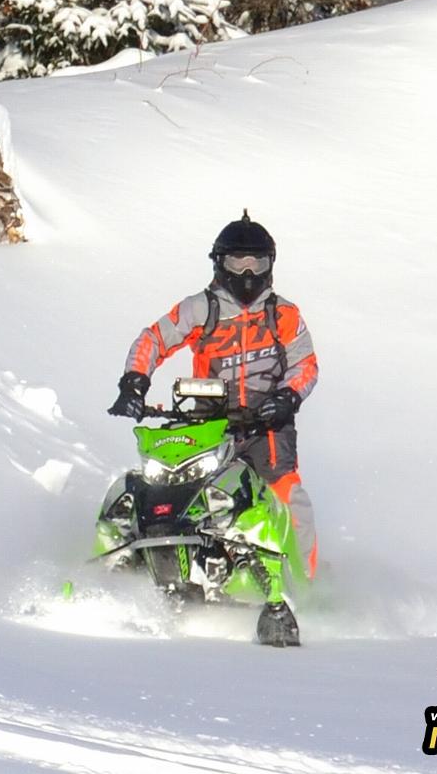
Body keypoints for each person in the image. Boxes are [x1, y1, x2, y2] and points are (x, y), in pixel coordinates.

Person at [107, 210, 318, 645]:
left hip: (268, 426)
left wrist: (289, 394)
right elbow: (153, 339)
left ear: (270, 266)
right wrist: (134, 381)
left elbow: (306, 364)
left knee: (287, 499)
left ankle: (302, 589)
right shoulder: (200, 308)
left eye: (256, 264)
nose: (246, 273)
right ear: (219, 264)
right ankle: (122, 566)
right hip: (208, 421)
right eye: (238, 262)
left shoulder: (285, 315)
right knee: (159, 486)